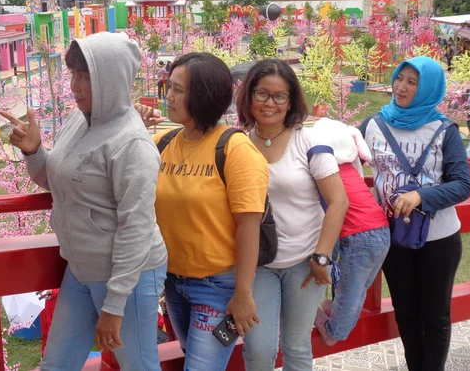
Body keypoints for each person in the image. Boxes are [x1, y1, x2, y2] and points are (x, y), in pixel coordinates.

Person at [0, 32, 168, 370]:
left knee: (140, 366)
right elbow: (56, 181)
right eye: (73, 74)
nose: (75, 86)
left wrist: (114, 305)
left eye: (86, 77)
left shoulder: (132, 145)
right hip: (82, 268)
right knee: (56, 364)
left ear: (113, 80)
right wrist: (34, 150)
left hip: (129, 277)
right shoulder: (79, 120)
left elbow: (136, 226)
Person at [137, 52, 269, 371]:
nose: (169, 96)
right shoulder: (161, 142)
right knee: (189, 355)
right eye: (169, 86)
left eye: (179, 90)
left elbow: (249, 227)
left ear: (204, 95)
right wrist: (133, 129)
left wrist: (243, 293)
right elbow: (115, 173)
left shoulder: (235, 150)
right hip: (171, 282)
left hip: (217, 287)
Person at [359, 56, 470, 371]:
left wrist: (420, 196)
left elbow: (463, 184)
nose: (401, 87)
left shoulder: (443, 129)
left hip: (438, 239)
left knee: (435, 316)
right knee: (405, 313)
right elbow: (343, 163)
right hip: (393, 237)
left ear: (428, 88)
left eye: (412, 81)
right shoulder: (373, 125)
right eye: (400, 78)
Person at [235, 59, 349, 371]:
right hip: (257, 265)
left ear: (290, 101)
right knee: (258, 349)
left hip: (305, 263)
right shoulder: (238, 143)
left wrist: (322, 256)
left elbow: (338, 201)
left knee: (296, 346)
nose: (269, 103)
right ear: (249, 96)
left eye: (279, 96)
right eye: (261, 94)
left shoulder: (309, 141)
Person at [311, 117, 390, 347]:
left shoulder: (327, 173)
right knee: (358, 287)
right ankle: (337, 312)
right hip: (381, 230)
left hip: (359, 235)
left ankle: (333, 331)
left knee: (349, 291)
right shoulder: (350, 170)